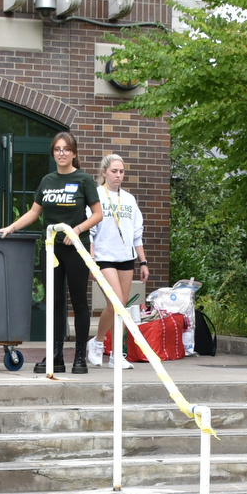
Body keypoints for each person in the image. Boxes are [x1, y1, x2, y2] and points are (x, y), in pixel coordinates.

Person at [0, 131, 103, 374]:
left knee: (78, 302)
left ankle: (79, 357)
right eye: (57, 149)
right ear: (53, 153)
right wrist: (11, 227)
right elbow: (34, 213)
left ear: (74, 153)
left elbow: (98, 215)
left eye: (66, 149)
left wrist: (75, 230)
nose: (62, 153)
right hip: (51, 248)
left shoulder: (84, 180)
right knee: (54, 303)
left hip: (76, 247)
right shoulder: (47, 181)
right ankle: (55, 355)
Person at [87, 152, 146, 370]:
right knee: (117, 304)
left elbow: (136, 233)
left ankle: (114, 355)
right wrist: (91, 259)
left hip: (126, 257)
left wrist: (144, 261)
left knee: (121, 305)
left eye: (121, 172)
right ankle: (99, 343)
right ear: (104, 173)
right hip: (104, 257)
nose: (118, 175)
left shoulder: (129, 199)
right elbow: (90, 231)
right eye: (114, 171)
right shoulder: (96, 196)